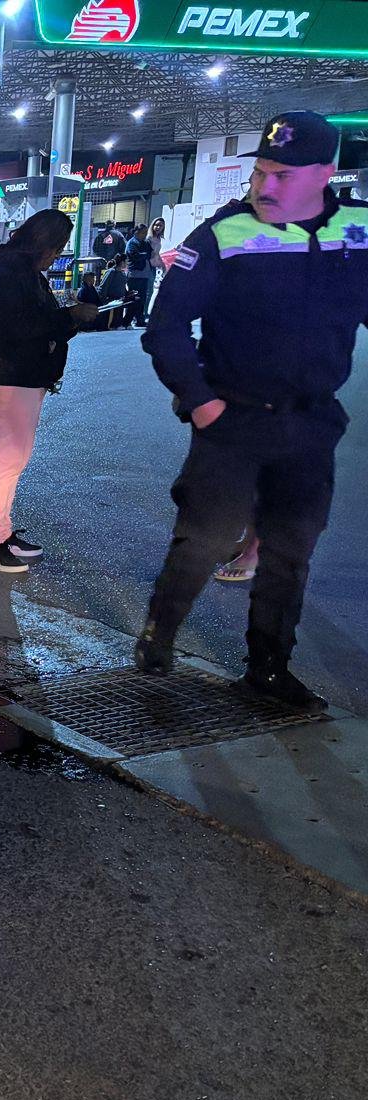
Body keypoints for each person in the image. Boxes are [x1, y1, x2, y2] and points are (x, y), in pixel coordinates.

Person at [136, 110, 368, 713]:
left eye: (284, 175)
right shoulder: (223, 233)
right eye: (261, 171)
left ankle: (268, 670)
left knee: (291, 552)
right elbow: (165, 326)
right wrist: (200, 401)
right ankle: (158, 640)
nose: (266, 187)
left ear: (327, 173)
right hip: (232, 422)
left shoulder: (358, 232)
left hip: (311, 424)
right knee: (204, 540)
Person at [0, 208, 99, 572]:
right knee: (7, 462)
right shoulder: (9, 272)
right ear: (40, 243)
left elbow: (28, 325)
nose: (56, 255)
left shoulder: (16, 270)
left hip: (17, 376)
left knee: (11, 461)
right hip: (10, 377)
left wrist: (66, 323)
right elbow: (14, 326)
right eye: (56, 247)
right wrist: (69, 316)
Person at [124, 223, 154, 326]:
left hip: (144, 274)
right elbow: (134, 256)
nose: (145, 234)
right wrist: (143, 255)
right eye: (143, 232)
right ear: (136, 232)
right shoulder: (132, 243)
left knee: (142, 298)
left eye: (146, 232)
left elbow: (150, 253)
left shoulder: (145, 243)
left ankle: (139, 320)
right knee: (135, 299)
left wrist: (143, 254)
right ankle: (129, 320)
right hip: (135, 274)